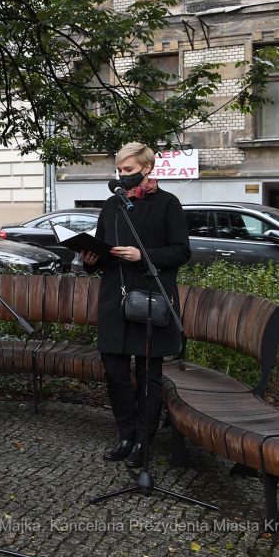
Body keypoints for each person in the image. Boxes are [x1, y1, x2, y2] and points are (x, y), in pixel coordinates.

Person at [81, 142, 190, 469]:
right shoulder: (111, 205)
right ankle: (126, 434)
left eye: (128, 171)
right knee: (114, 371)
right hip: (116, 298)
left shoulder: (168, 203)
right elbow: (99, 252)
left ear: (147, 169)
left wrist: (144, 255)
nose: (122, 177)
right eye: (120, 171)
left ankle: (144, 439)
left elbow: (181, 251)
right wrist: (89, 259)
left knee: (147, 375)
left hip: (150, 301)